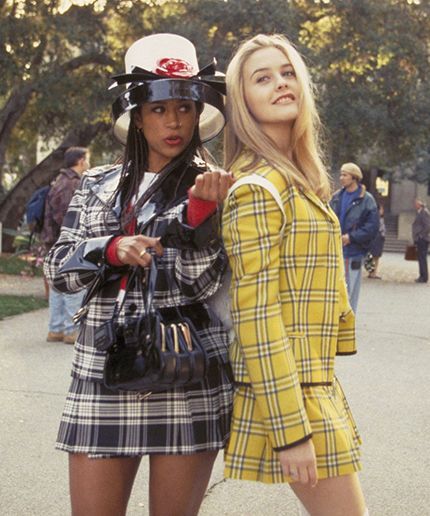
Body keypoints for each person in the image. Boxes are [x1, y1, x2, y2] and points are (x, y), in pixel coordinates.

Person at [44, 33, 234, 516]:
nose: (173, 121)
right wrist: (109, 248)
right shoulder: (97, 183)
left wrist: (198, 216)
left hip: (186, 367)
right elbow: (58, 269)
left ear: (198, 112)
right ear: (136, 115)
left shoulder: (214, 184)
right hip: (103, 367)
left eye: (185, 108)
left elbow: (204, 285)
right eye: (159, 108)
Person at [221, 34, 368, 516]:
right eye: (262, 78)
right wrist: (290, 431)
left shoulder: (295, 178)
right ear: (242, 101)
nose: (281, 83)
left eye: (287, 74)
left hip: (315, 382)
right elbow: (256, 319)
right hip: (294, 397)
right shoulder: (258, 188)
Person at [41, 146, 90, 343]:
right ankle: (72, 330)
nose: (88, 163)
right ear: (80, 161)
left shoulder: (60, 180)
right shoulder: (71, 184)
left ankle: (56, 329)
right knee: (73, 285)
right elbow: (68, 217)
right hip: (66, 242)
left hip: (53, 241)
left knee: (58, 286)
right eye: (87, 159)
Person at [330, 162, 379, 313]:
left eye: (345, 175)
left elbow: (372, 227)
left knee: (351, 292)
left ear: (354, 177)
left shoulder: (367, 200)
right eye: (341, 174)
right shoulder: (337, 197)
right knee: (335, 290)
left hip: (355, 252)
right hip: (336, 251)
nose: (341, 178)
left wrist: (351, 237)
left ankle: (349, 322)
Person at [412, 198, 430, 283]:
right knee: (420, 258)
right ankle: (422, 276)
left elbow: (427, 225)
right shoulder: (420, 212)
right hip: (420, 238)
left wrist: (421, 235)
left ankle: (424, 277)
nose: (414, 205)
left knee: (422, 258)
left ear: (420, 204)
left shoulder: (424, 212)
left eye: (416, 203)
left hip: (423, 239)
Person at [367, 203, 386, 279]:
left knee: (375, 257)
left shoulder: (379, 218)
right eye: (381, 209)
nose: (382, 211)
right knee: (375, 257)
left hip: (378, 239)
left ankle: (372, 272)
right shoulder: (376, 218)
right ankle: (373, 273)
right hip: (376, 239)